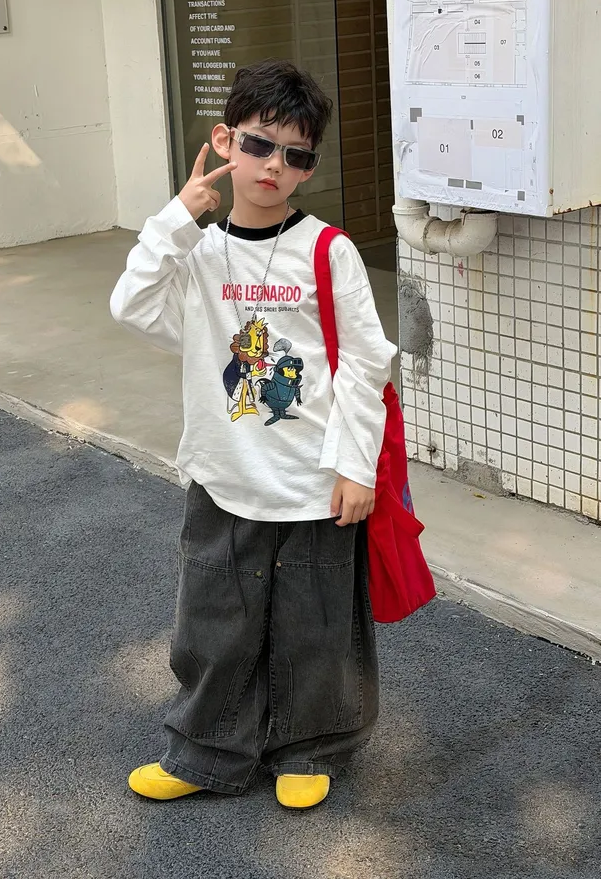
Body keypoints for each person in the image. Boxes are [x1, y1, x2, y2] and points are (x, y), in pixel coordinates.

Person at [110, 59, 395, 810]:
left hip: (313, 478)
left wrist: (356, 466)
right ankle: (205, 750)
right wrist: (178, 216)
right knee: (213, 622)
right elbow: (131, 305)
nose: (274, 166)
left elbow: (365, 363)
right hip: (224, 472)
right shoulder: (199, 254)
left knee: (314, 624)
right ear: (225, 140)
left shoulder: (329, 250)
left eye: (296, 155)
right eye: (259, 144)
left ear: (309, 168)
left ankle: (307, 748)